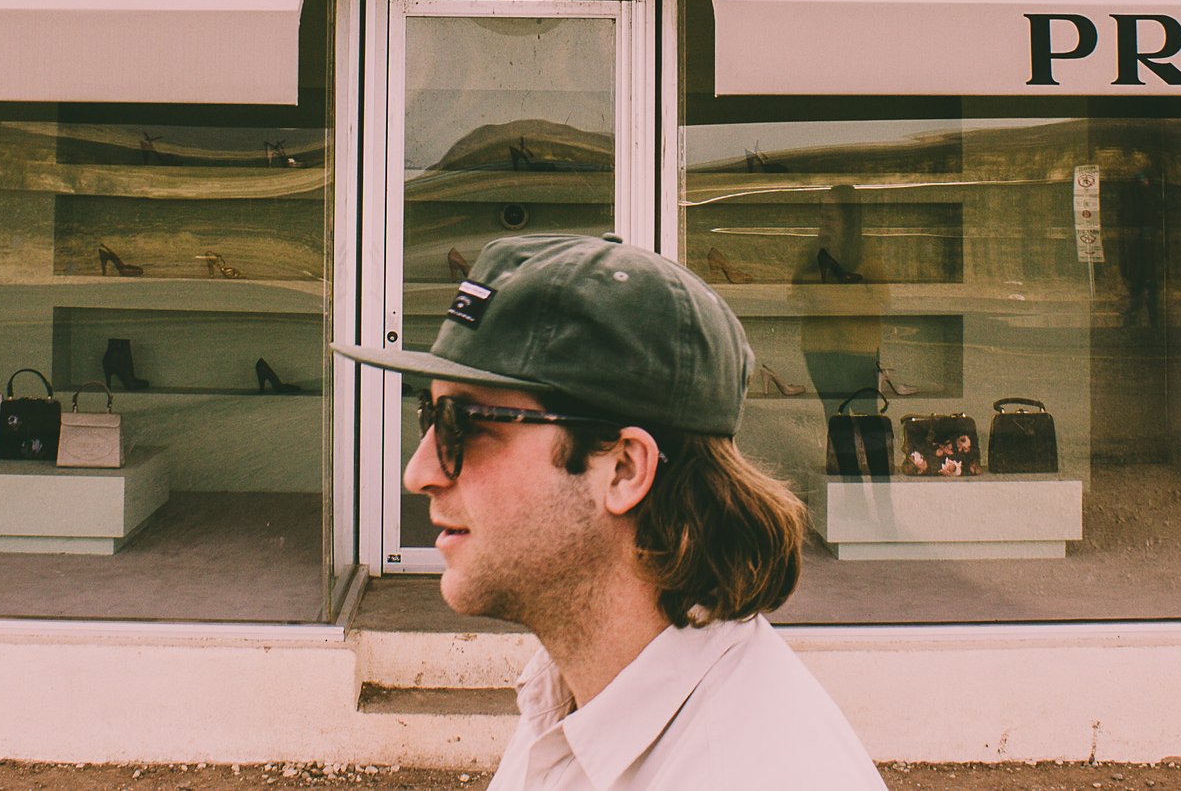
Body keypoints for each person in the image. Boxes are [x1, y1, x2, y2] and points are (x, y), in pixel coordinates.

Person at [337, 234, 886, 790]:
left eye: (466, 425)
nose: (418, 472)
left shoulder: (751, 772)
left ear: (624, 469)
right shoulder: (573, 696)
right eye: (429, 414)